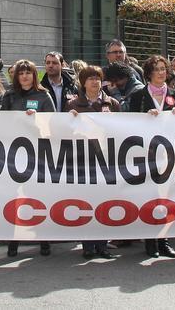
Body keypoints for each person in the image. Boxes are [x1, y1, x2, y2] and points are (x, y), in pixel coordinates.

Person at [126, 55, 175, 259]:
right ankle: (151, 241)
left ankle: (164, 240)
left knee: (166, 198)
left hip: (168, 154)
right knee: (149, 197)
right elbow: (129, 124)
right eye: (156, 69)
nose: (161, 72)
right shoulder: (138, 96)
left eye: (163, 68)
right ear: (149, 73)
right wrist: (144, 119)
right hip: (146, 155)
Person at [0, 59, 56, 257]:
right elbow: (0, 122)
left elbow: (53, 123)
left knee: (38, 196)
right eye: (21, 73)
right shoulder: (9, 96)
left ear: (34, 75)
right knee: (15, 198)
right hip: (14, 154)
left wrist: (37, 119)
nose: (24, 76)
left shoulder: (43, 96)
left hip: (38, 154)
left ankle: (43, 239)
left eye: (28, 73)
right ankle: (13, 241)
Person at [68, 65, 120, 260]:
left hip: (105, 160)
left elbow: (121, 130)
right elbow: (65, 133)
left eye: (97, 78)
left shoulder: (112, 103)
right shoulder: (73, 105)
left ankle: (102, 245)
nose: (95, 82)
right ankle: (88, 245)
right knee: (86, 203)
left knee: (104, 203)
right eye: (90, 78)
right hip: (83, 161)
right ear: (83, 82)